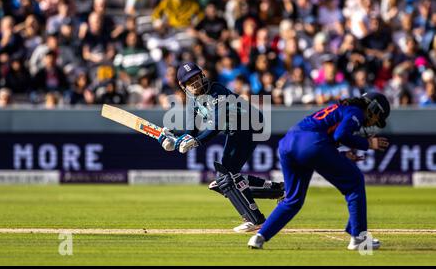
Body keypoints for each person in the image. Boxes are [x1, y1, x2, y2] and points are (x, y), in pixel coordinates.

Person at [247, 92, 390, 250]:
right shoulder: (355, 111)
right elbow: (340, 135)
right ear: (373, 108)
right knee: (355, 182)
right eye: (378, 117)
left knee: (293, 200)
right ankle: (359, 238)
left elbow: (328, 136)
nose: (375, 122)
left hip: (288, 142)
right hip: (311, 143)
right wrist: (368, 143)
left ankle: (259, 237)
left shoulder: (342, 108)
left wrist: (341, 154)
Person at [157, 62, 284, 232]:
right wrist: (173, 137)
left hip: (250, 125)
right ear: (182, 85)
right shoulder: (192, 101)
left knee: (226, 176)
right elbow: (191, 131)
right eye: (190, 81)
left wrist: (196, 141)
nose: (195, 83)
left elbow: (217, 124)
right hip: (236, 130)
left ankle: (256, 219)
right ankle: (278, 191)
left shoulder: (217, 91)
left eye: (196, 77)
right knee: (224, 181)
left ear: (202, 75)